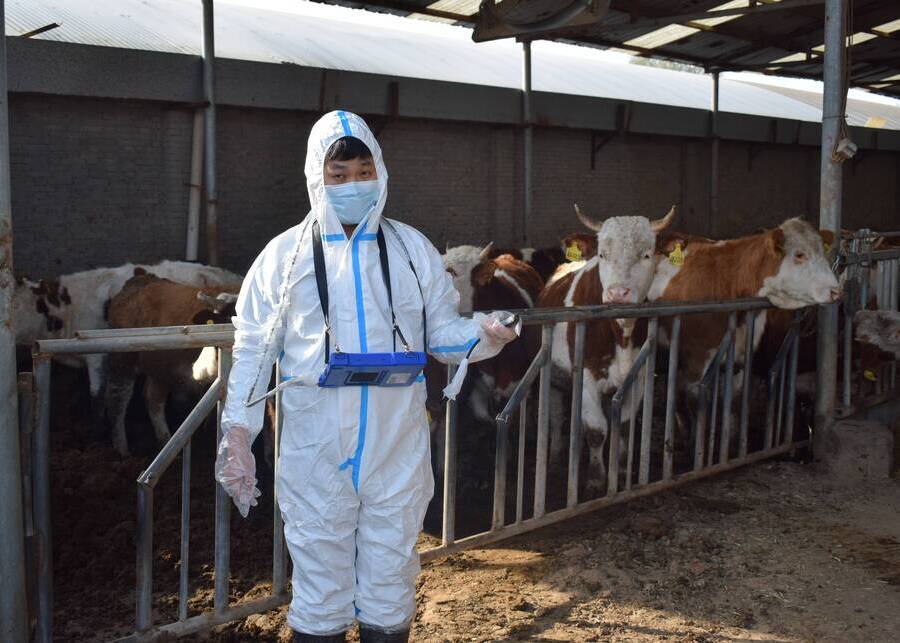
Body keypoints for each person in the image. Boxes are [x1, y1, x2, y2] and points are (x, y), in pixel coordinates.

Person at [214, 110, 519, 642]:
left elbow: (442, 334)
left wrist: (484, 334)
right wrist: (238, 431)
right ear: (317, 178)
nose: (353, 185)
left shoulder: (410, 249)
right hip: (316, 444)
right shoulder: (284, 257)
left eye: (363, 172)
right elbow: (255, 348)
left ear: (380, 170)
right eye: (339, 175)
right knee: (320, 584)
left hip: (395, 441)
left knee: (392, 573)